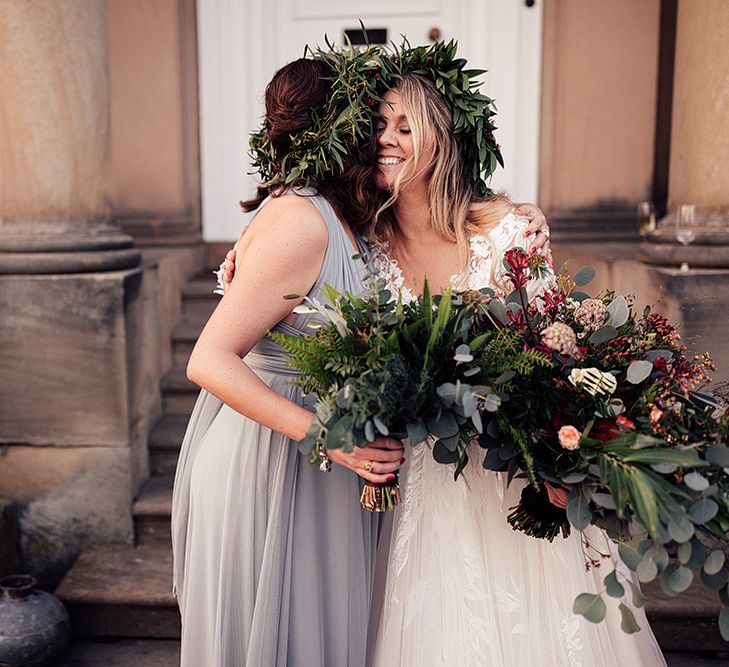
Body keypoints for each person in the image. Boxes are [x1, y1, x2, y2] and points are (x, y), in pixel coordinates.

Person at [365, 74, 667, 666]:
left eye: (406, 126)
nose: (387, 139)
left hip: (511, 466)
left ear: (444, 141)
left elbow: (556, 354)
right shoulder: (360, 245)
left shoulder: (507, 230)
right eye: (378, 125)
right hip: (424, 475)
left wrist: (566, 460)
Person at [171, 57, 405, 667]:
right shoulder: (302, 222)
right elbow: (209, 361)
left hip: (314, 464)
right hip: (273, 461)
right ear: (341, 131)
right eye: (372, 124)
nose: (383, 140)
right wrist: (332, 439)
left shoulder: (337, 215)